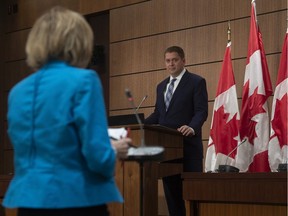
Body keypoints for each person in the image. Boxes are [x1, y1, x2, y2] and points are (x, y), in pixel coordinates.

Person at [2, 6, 131, 216]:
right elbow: (97, 157)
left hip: (29, 202)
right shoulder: (84, 81)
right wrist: (114, 150)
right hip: (76, 199)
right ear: (79, 41)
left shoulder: (17, 92)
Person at [145, 46, 208, 216]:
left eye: (174, 60)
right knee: (173, 198)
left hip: (188, 148)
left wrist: (192, 127)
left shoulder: (196, 81)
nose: (171, 64)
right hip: (168, 151)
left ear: (183, 61)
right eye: (167, 61)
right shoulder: (161, 86)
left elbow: (201, 111)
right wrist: (140, 124)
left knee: (194, 197)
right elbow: (158, 114)